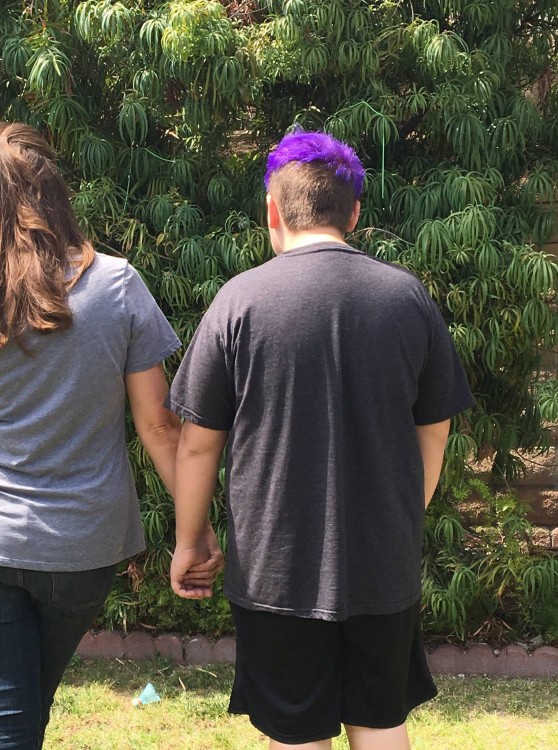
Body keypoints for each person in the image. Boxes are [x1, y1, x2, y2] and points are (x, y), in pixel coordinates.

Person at [0, 122, 220, 750]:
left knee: (14, 718)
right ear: (55, 193)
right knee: (21, 716)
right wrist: (195, 529)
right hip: (83, 542)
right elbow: (159, 426)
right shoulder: (117, 285)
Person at [167, 130, 474, 750]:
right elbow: (435, 430)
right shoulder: (407, 298)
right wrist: (401, 520)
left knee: (295, 734)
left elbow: (198, 443)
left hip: (275, 573)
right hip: (382, 565)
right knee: (382, 723)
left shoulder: (239, 302)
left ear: (272, 212)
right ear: (355, 213)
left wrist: (187, 541)